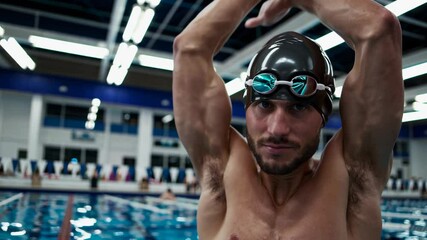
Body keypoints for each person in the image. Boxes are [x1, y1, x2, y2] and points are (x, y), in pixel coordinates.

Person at [173, 0, 403, 239]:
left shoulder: (352, 178)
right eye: (264, 105)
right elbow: (189, 47)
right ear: (248, 107)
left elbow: (379, 29)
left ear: (323, 114)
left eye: (299, 107)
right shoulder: (221, 174)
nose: (277, 128)